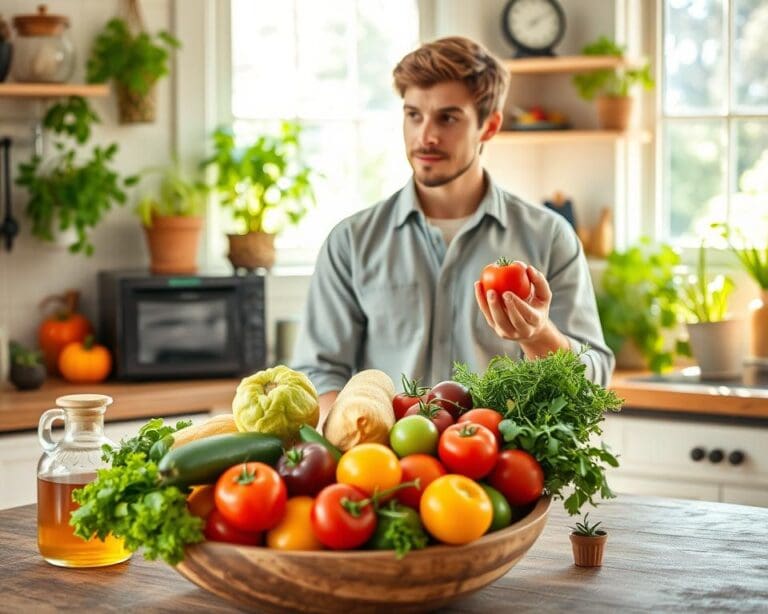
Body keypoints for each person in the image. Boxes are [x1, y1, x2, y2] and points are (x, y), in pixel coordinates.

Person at [292, 36, 614, 424]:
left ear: (489, 126)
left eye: (447, 118)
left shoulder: (549, 237)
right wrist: (353, 440)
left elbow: (594, 379)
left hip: (504, 469)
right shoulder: (350, 242)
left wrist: (538, 335)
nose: (425, 135)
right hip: (384, 475)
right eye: (413, 115)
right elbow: (319, 372)